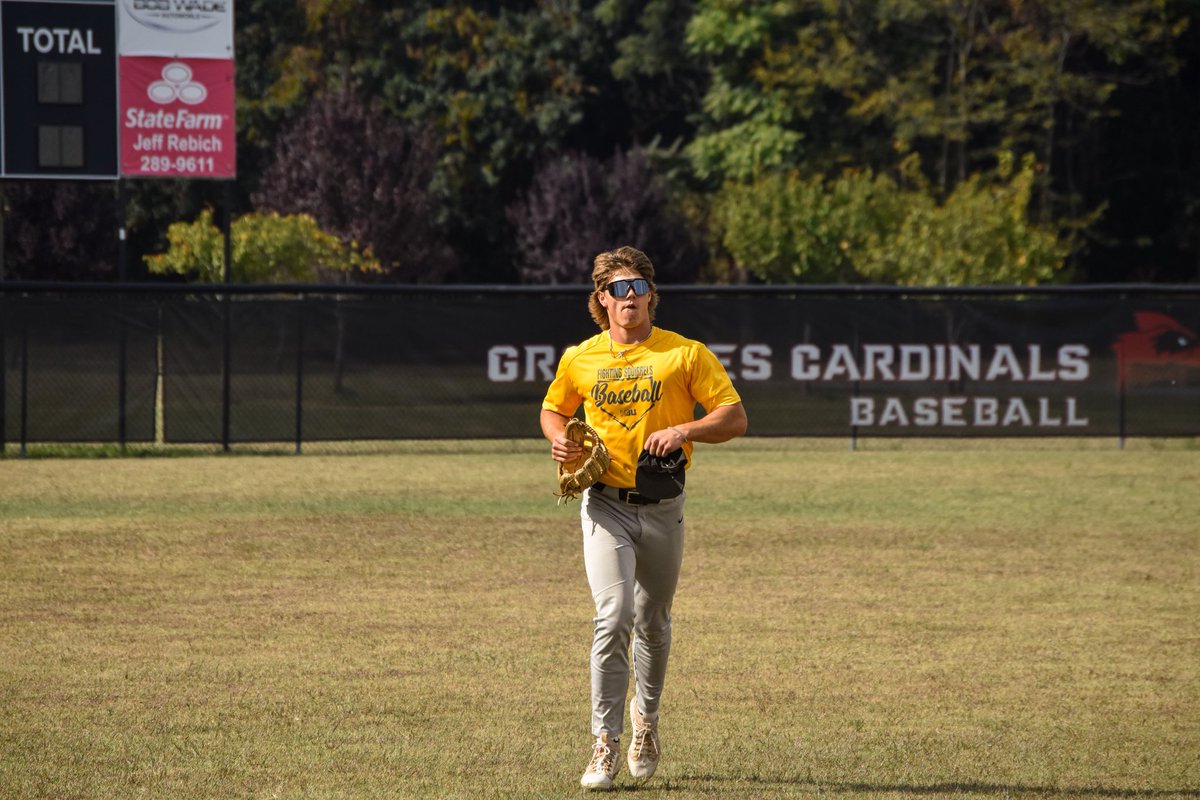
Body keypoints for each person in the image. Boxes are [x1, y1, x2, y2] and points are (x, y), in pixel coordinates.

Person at [540, 246, 748, 790]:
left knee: (653, 621)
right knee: (612, 618)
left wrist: (685, 430)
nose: (629, 298)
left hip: (663, 506)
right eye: (618, 289)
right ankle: (603, 743)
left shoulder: (684, 355)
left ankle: (645, 722)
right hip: (605, 502)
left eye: (638, 288)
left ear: (651, 296)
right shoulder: (580, 357)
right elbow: (553, 408)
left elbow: (734, 417)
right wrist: (561, 439)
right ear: (601, 299)